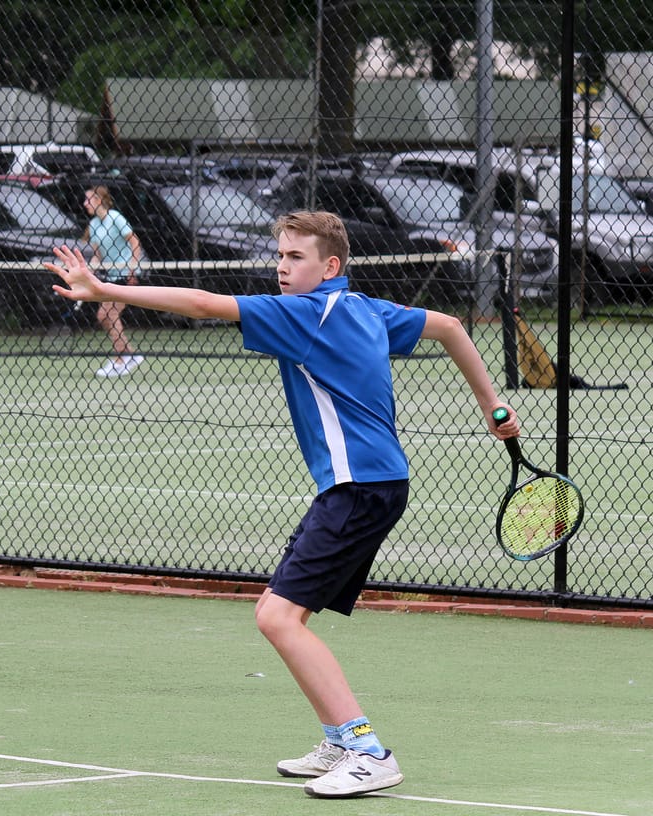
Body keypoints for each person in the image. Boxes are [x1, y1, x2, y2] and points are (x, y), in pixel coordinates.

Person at [45, 209, 521, 799]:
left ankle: (368, 751)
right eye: (280, 256)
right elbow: (449, 326)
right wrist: (491, 405)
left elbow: (202, 304)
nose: (282, 268)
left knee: (277, 618)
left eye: (296, 258)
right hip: (367, 485)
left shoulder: (304, 314)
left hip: (359, 487)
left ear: (330, 266)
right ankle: (340, 741)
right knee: (277, 608)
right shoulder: (367, 309)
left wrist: (106, 289)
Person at [83, 186, 145, 377]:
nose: (85, 204)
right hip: (111, 276)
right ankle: (130, 354)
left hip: (126, 274)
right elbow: (97, 256)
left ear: (99, 200)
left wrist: (132, 269)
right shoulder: (94, 224)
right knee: (103, 316)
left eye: (88, 200)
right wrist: (87, 273)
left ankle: (120, 359)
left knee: (109, 314)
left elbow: (135, 242)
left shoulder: (115, 217)